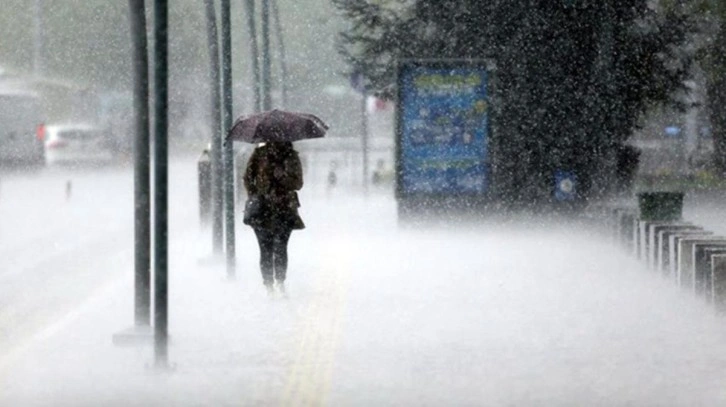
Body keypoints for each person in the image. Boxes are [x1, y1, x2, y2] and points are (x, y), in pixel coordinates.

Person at [243, 141, 304, 296]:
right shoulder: (259, 155)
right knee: (265, 248)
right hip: (262, 209)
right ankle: (269, 284)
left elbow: (298, 183)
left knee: (281, 247)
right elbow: (248, 177)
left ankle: (280, 282)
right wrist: (255, 194)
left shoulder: (292, 156)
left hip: (284, 208)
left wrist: (282, 176)